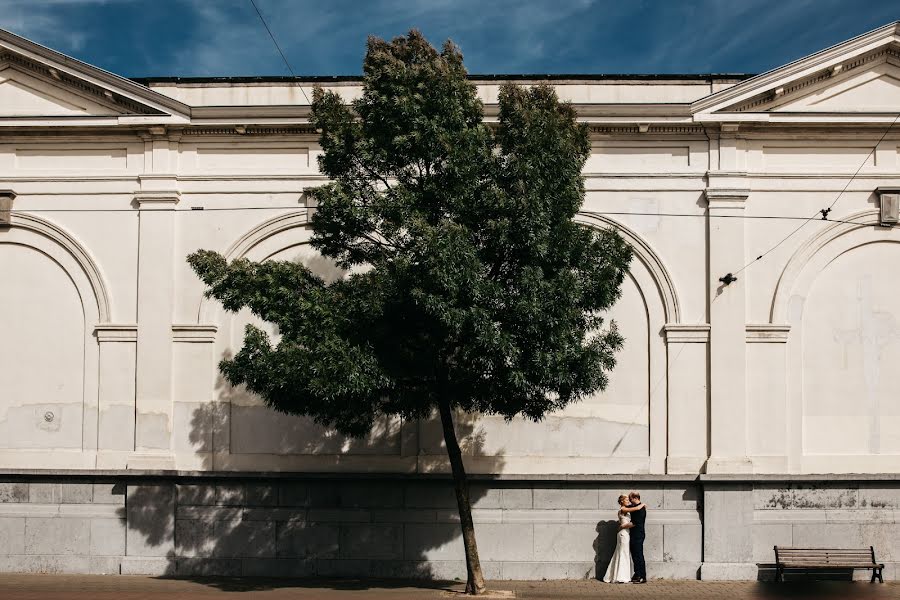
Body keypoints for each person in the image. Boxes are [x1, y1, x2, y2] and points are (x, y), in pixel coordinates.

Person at [602, 495, 634, 583]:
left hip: (625, 533)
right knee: (623, 553)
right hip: (623, 534)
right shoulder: (623, 509)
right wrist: (642, 505)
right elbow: (635, 509)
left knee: (623, 553)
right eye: (627, 499)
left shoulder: (624, 510)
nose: (629, 501)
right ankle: (621, 576)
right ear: (622, 501)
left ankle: (620, 575)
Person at [626, 491, 647, 583]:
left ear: (635, 498)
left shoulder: (641, 510)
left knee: (639, 555)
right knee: (634, 555)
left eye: (630, 499)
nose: (630, 501)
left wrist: (623, 526)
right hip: (634, 534)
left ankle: (642, 576)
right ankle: (637, 574)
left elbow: (635, 523)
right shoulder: (636, 507)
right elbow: (624, 507)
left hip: (638, 534)